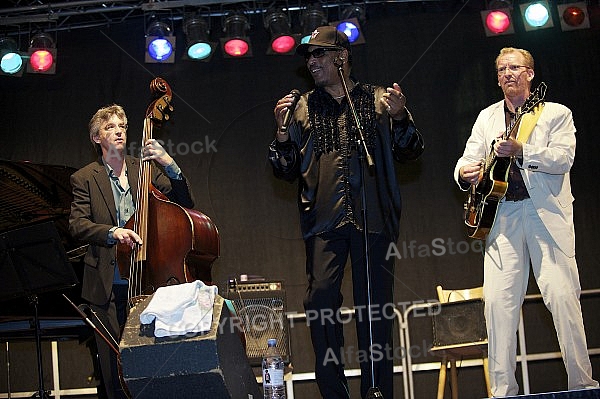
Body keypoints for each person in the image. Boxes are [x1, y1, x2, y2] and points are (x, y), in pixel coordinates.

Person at [268, 26, 424, 399]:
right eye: (309, 56)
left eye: (319, 54)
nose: (312, 62)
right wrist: (282, 135)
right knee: (320, 300)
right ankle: (334, 393)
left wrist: (401, 119)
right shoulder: (301, 106)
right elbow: (285, 169)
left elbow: (411, 150)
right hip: (323, 220)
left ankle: (376, 391)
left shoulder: (380, 100)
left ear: (341, 58)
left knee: (375, 307)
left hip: (373, 219)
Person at [454, 47, 598, 396]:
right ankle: (502, 390)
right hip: (502, 215)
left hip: (543, 214)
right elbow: (465, 160)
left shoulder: (555, 113)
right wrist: (465, 172)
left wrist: (523, 151)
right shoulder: (487, 116)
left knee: (563, 297)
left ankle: (582, 384)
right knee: (498, 305)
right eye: (502, 69)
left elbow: (563, 159)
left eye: (514, 68)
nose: (507, 74)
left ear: (530, 73)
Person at [69, 104, 195, 399]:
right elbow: (77, 225)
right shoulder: (84, 178)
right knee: (114, 374)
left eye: (122, 126)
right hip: (106, 286)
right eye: (110, 127)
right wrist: (113, 232)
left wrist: (169, 163)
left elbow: (185, 203)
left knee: (151, 366)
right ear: (96, 138)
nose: (118, 131)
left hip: (148, 281)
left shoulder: (144, 171)